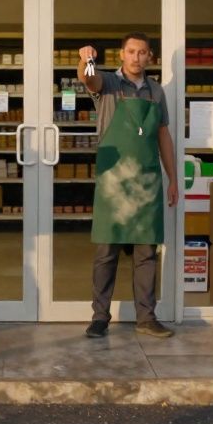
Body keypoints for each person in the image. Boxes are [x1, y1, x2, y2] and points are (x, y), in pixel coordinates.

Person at [77, 32, 178, 339]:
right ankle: (99, 317)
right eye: (131, 51)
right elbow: (87, 81)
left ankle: (146, 318)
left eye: (142, 52)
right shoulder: (107, 83)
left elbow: (163, 135)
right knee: (106, 252)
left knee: (146, 253)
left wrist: (173, 177)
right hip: (113, 182)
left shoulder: (156, 92)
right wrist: (86, 60)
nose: (136, 57)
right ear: (122, 54)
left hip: (147, 181)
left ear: (150, 57)